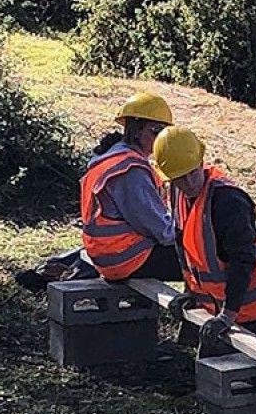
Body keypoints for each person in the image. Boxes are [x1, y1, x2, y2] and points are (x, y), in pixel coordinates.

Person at [153, 127, 256, 346]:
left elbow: (242, 260)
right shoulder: (178, 194)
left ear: (201, 163)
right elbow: (185, 246)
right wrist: (191, 291)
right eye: (180, 177)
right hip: (224, 309)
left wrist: (228, 315)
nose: (189, 182)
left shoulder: (228, 201)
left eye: (192, 172)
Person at [78, 92, 184, 281]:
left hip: (111, 256)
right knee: (207, 259)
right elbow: (163, 232)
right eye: (155, 131)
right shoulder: (130, 170)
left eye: (163, 132)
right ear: (136, 129)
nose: (160, 139)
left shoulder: (111, 159)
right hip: (128, 258)